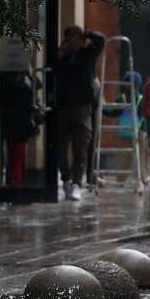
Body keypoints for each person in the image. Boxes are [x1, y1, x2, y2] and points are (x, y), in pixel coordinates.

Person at [53, 25, 106, 200]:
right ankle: (66, 178)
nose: (74, 43)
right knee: (61, 146)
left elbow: (101, 39)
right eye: (70, 40)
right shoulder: (63, 58)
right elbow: (53, 71)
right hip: (64, 106)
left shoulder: (88, 54)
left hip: (83, 106)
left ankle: (77, 183)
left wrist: (87, 33)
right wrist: (61, 53)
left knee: (80, 147)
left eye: (77, 39)